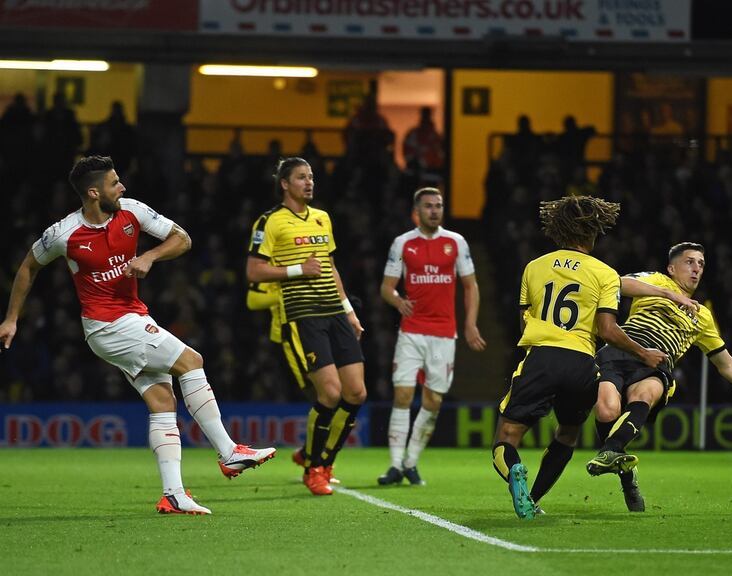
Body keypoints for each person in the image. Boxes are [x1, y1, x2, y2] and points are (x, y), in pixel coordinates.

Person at [0, 155, 276, 515]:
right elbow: (28, 266)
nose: (123, 187)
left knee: (163, 401)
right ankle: (228, 452)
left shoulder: (132, 211)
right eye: (115, 183)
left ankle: (173, 495)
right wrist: (12, 319)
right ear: (94, 193)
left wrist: (150, 257)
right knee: (191, 361)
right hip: (107, 325)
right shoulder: (64, 233)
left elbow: (182, 239)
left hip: (130, 317)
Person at [584, 242, 732, 512]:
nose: (696, 269)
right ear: (671, 268)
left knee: (644, 394)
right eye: (690, 262)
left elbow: (728, 365)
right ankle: (626, 473)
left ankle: (611, 452)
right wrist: (669, 294)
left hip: (656, 362)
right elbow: (615, 284)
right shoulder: (655, 280)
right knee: (606, 411)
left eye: (701, 264)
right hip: (622, 348)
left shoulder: (702, 316)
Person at [490, 195, 669, 520]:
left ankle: (516, 474)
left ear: (557, 229)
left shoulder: (534, 266)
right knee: (568, 434)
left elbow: (524, 323)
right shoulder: (606, 273)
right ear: (594, 231)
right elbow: (608, 329)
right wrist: (643, 353)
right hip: (582, 364)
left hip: (542, 357)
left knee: (506, 438)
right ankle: (533, 499)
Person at [245, 157, 367, 496]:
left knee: (356, 393)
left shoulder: (322, 217)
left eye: (311, 177)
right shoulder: (270, 221)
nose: (309, 182)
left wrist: (349, 311)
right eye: (301, 177)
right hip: (302, 315)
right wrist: (299, 269)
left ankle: (323, 461)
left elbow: (329, 266)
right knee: (330, 393)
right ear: (285, 184)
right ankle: (314, 468)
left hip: (334, 312)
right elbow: (254, 271)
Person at [378, 187, 486, 486]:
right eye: (428, 206)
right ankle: (394, 465)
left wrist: (471, 324)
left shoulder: (456, 242)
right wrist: (398, 301)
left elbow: (471, 286)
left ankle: (411, 462)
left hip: (443, 334)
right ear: (417, 212)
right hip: (411, 332)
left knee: (434, 400)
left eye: (438, 205)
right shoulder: (403, 243)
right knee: (402, 395)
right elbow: (386, 287)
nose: (435, 210)